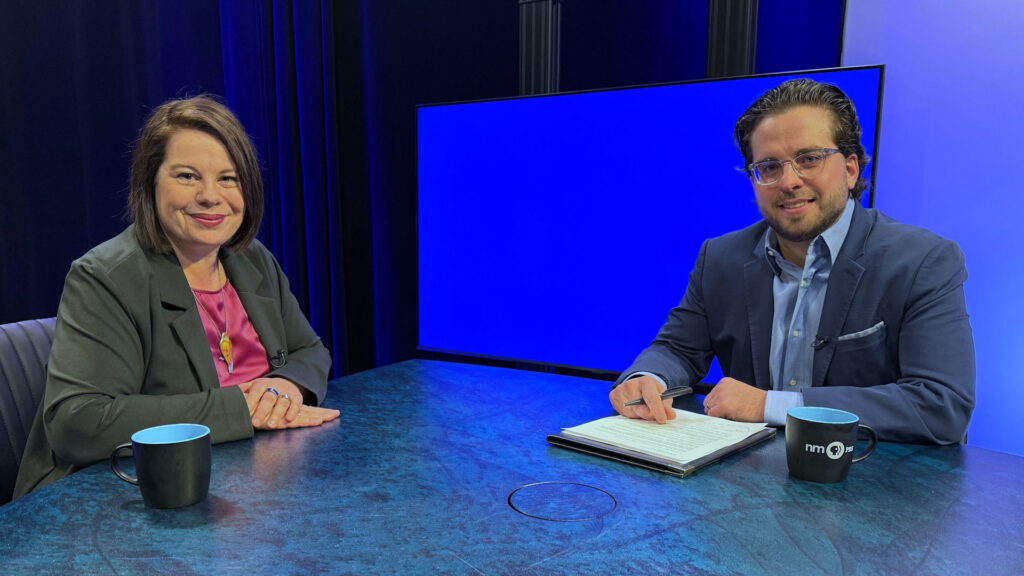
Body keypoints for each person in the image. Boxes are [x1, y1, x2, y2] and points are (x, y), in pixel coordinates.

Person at [608, 79, 975, 445]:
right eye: (768, 167)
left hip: (868, 483)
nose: (789, 181)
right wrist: (647, 379)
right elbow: (677, 349)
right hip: (744, 481)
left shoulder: (923, 261)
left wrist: (770, 405)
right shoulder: (720, 259)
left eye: (809, 159)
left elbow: (941, 406)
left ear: (850, 169)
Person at [15, 95, 340, 497]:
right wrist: (244, 409)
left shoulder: (251, 259)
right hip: (129, 497)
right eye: (187, 176)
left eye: (229, 178)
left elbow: (310, 351)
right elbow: (78, 422)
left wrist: (285, 388)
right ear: (150, 183)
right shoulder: (105, 278)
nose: (210, 195)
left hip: (251, 486)